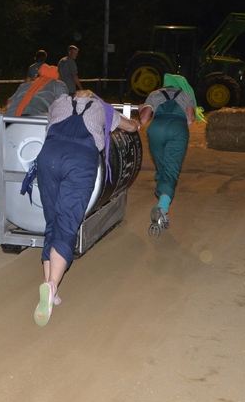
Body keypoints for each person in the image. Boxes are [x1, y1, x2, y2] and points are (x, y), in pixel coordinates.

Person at [32, 89, 139, 326]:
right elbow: (130, 127)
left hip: (49, 157)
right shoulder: (102, 108)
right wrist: (137, 124)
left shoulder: (60, 102)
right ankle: (51, 285)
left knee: (52, 221)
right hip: (80, 161)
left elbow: (49, 119)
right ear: (92, 97)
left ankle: (50, 288)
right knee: (67, 223)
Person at [139, 74, 205, 234]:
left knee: (162, 168)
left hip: (155, 130)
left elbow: (144, 119)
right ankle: (162, 207)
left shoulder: (154, 94)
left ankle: (162, 198)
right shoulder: (185, 95)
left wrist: (141, 110)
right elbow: (190, 119)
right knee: (171, 170)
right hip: (177, 129)